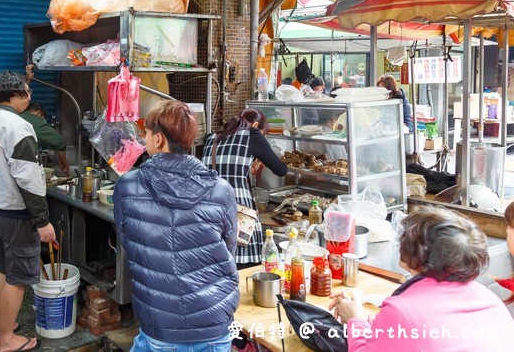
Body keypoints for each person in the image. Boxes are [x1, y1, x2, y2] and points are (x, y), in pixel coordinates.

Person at [114, 100, 239, 352]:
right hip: (215, 323)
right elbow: (229, 248)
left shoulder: (128, 186)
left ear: (158, 140)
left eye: (146, 133)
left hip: (160, 325)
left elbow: (128, 240)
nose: (144, 139)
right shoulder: (221, 189)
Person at [330, 206, 514, 351]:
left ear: (412, 252)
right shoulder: (487, 296)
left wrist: (355, 320)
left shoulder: (402, 310)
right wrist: (364, 318)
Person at [0, 70, 55, 352]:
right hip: (15, 212)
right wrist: (43, 220)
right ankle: (6, 340)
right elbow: (28, 177)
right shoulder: (17, 125)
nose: (30, 97)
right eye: (27, 91)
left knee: (4, 269)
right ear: (15, 94)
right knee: (19, 277)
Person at [202, 108, 288, 267]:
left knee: (217, 268)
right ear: (256, 125)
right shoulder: (253, 135)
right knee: (243, 270)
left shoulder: (212, 138)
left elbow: (226, 169)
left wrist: (252, 166)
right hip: (239, 216)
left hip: (211, 213)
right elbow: (281, 170)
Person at [19, 101, 70, 172]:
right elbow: (59, 142)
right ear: (38, 113)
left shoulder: (16, 115)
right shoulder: (35, 120)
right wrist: (63, 160)